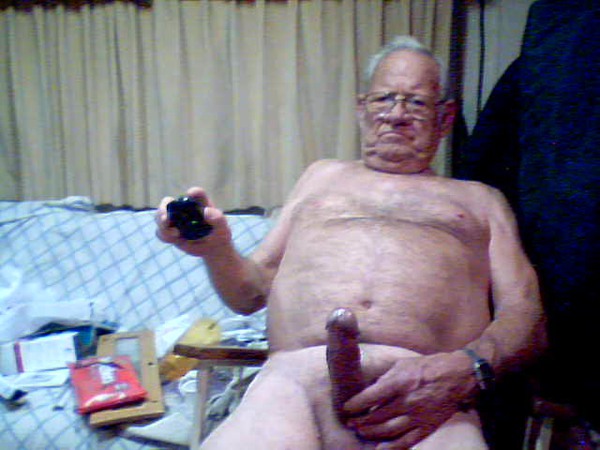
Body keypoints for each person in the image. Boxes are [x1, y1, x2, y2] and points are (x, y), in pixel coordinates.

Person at [156, 36, 547, 450]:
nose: (396, 115)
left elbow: (526, 314)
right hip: (294, 386)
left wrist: (469, 368)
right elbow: (248, 293)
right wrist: (216, 248)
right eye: (384, 99)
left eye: (416, 103)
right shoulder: (320, 177)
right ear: (362, 108)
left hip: (425, 398)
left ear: (445, 117)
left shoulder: (481, 200)